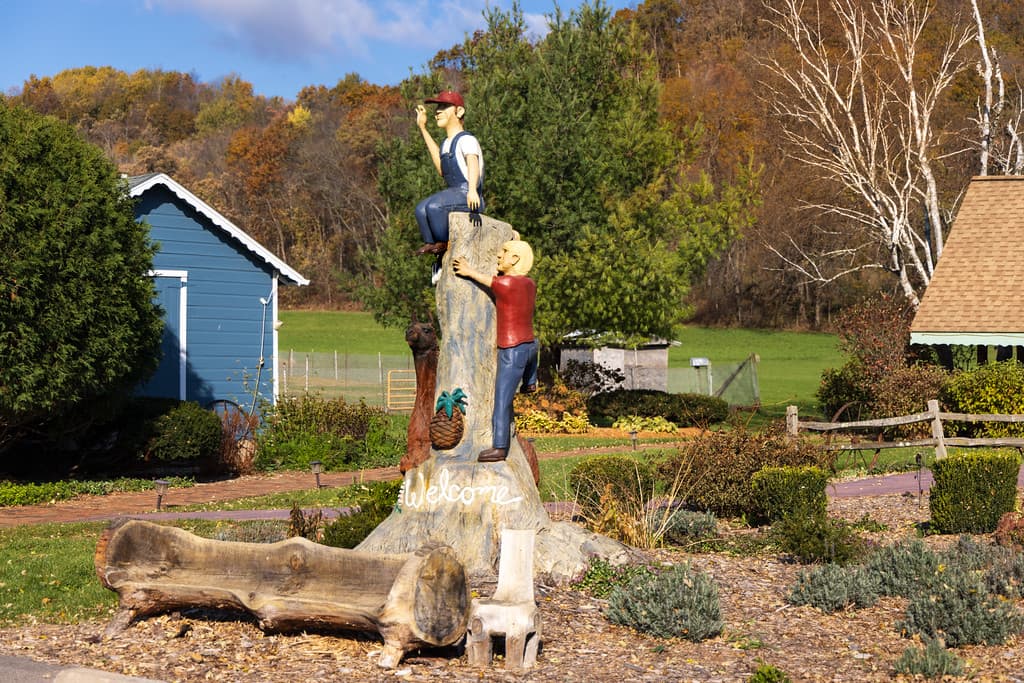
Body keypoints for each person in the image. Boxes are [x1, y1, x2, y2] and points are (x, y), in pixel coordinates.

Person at [452, 240, 537, 463]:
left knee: (501, 401)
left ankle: (499, 447)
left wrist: (468, 270)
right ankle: (530, 381)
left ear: (515, 259)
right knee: (529, 360)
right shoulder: (530, 284)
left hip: (512, 349)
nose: (499, 255)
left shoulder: (506, 283)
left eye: (505, 252)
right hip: (530, 346)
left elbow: (489, 281)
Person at [414, 90, 485, 258]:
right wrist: (423, 128)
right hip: (453, 192)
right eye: (438, 107)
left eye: (444, 106)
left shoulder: (467, 140)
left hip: (467, 194)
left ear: (459, 111)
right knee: (421, 209)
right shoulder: (446, 144)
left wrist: (472, 190)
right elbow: (442, 170)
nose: (438, 112)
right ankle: (432, 243)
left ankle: (445, 242)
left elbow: (473, 163)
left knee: (434, 207)